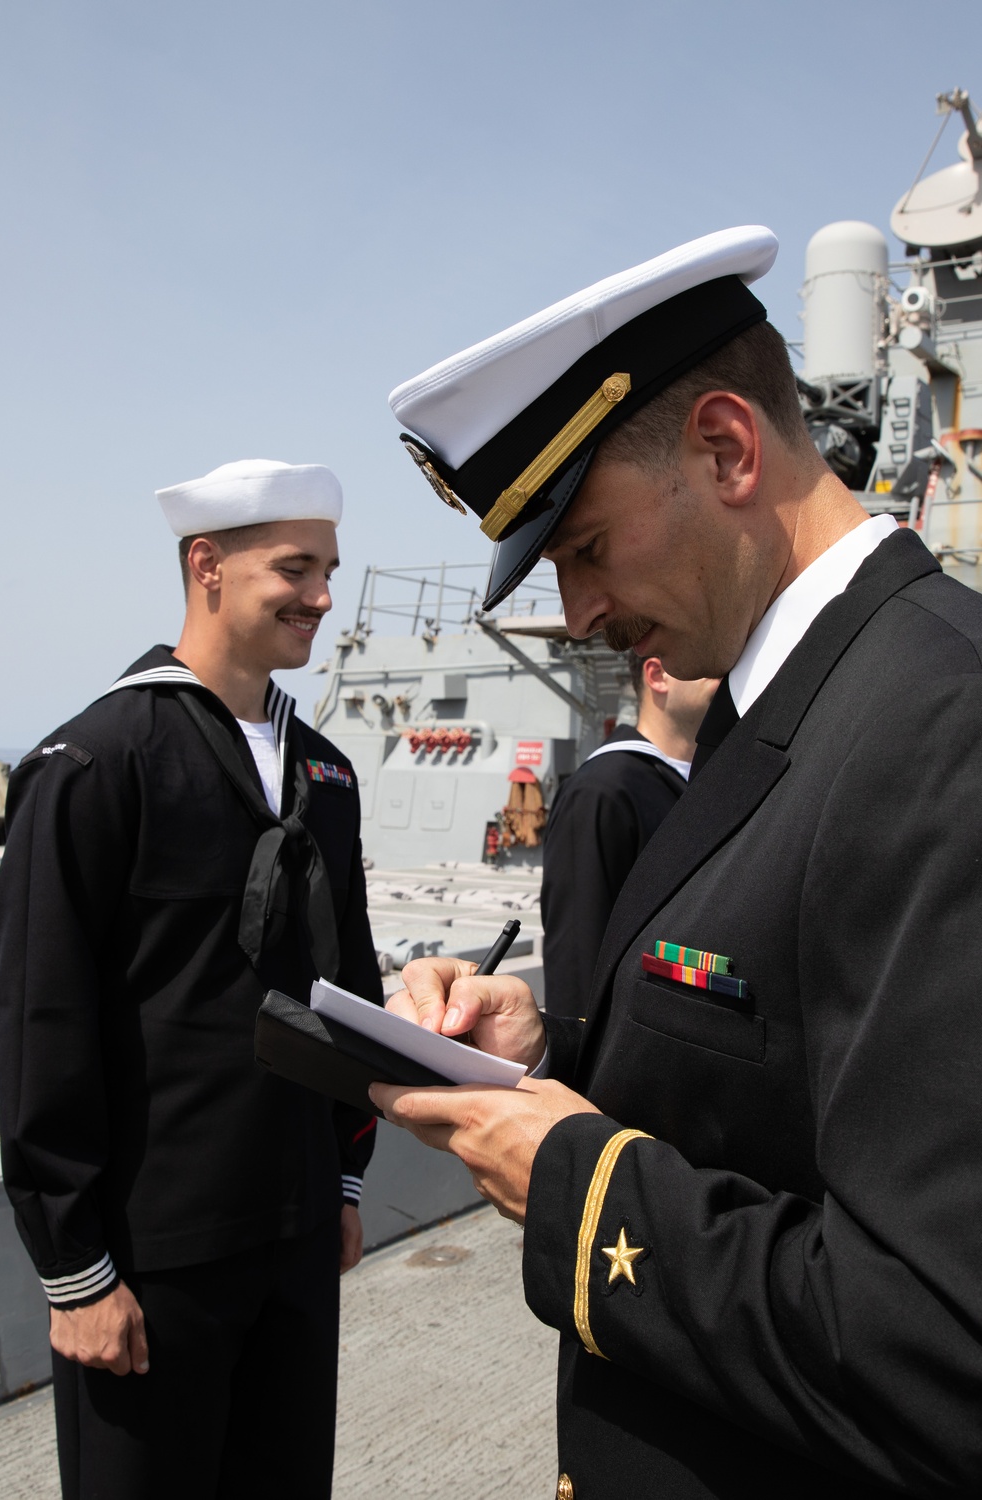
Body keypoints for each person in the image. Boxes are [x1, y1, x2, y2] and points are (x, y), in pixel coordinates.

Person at [373, 228, 982, 1497]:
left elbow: (936, 1350)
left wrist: (576, 1185)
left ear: (725, 450)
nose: (580, 612)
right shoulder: (801, 705)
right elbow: (778, 1087)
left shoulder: (941, 723)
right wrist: (543, 1055)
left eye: (584, 549)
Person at [0, 459, 382, 1500]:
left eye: (329, 569)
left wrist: (344, 1179)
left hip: (296, 1234)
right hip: (151, 1256)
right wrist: (76, 1273)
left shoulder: (326, 773)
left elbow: (350, 985)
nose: (322, 596)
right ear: (207, 566)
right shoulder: (95, 762)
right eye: (295, 568)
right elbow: (43, 1019)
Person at [541, 653, 715, 1017]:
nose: (724, 671)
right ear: (657, 675)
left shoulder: (710, 782)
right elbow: (579, 957)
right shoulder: (601, 792)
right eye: (708, 664)